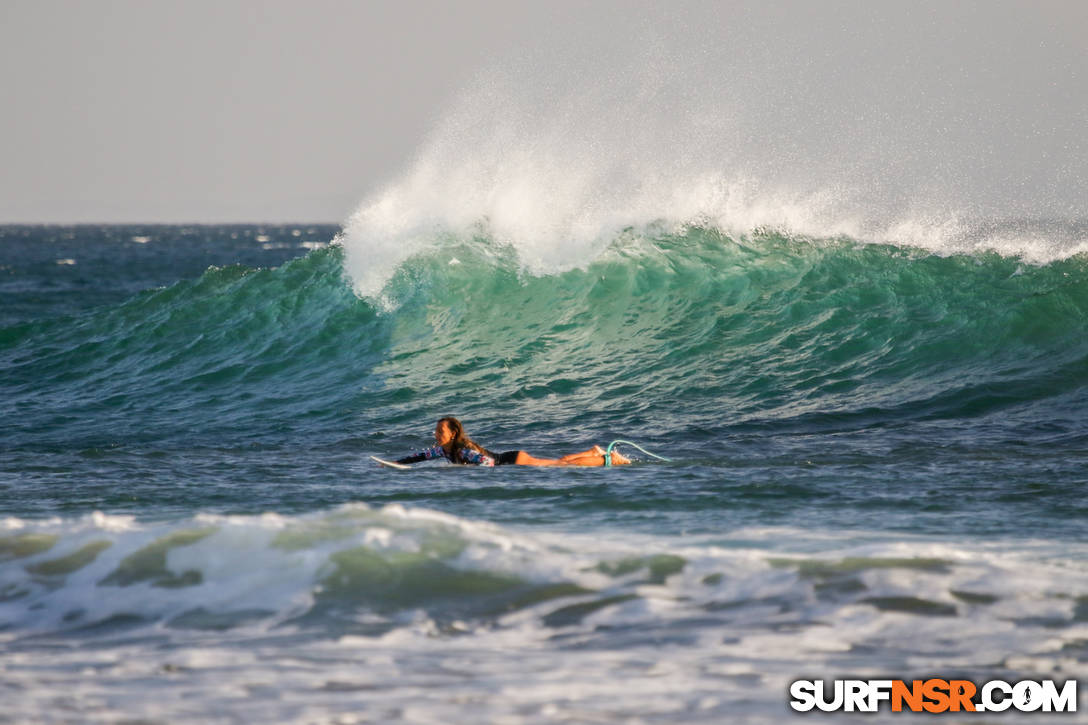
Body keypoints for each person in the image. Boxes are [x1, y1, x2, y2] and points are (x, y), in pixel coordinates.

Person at [393, 416, 630, 467]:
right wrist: (394, 463)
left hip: (514, 460)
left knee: (562, 466)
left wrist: (464, 473)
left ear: (453, 434)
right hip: (511, 459)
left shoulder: (463, 450)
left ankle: (608, 459)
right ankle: (594, 451)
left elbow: (488, 463)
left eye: (440, 431)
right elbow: (419, 457)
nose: (436, 435)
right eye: (436, 431)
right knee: (559, 462)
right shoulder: (443, 450)